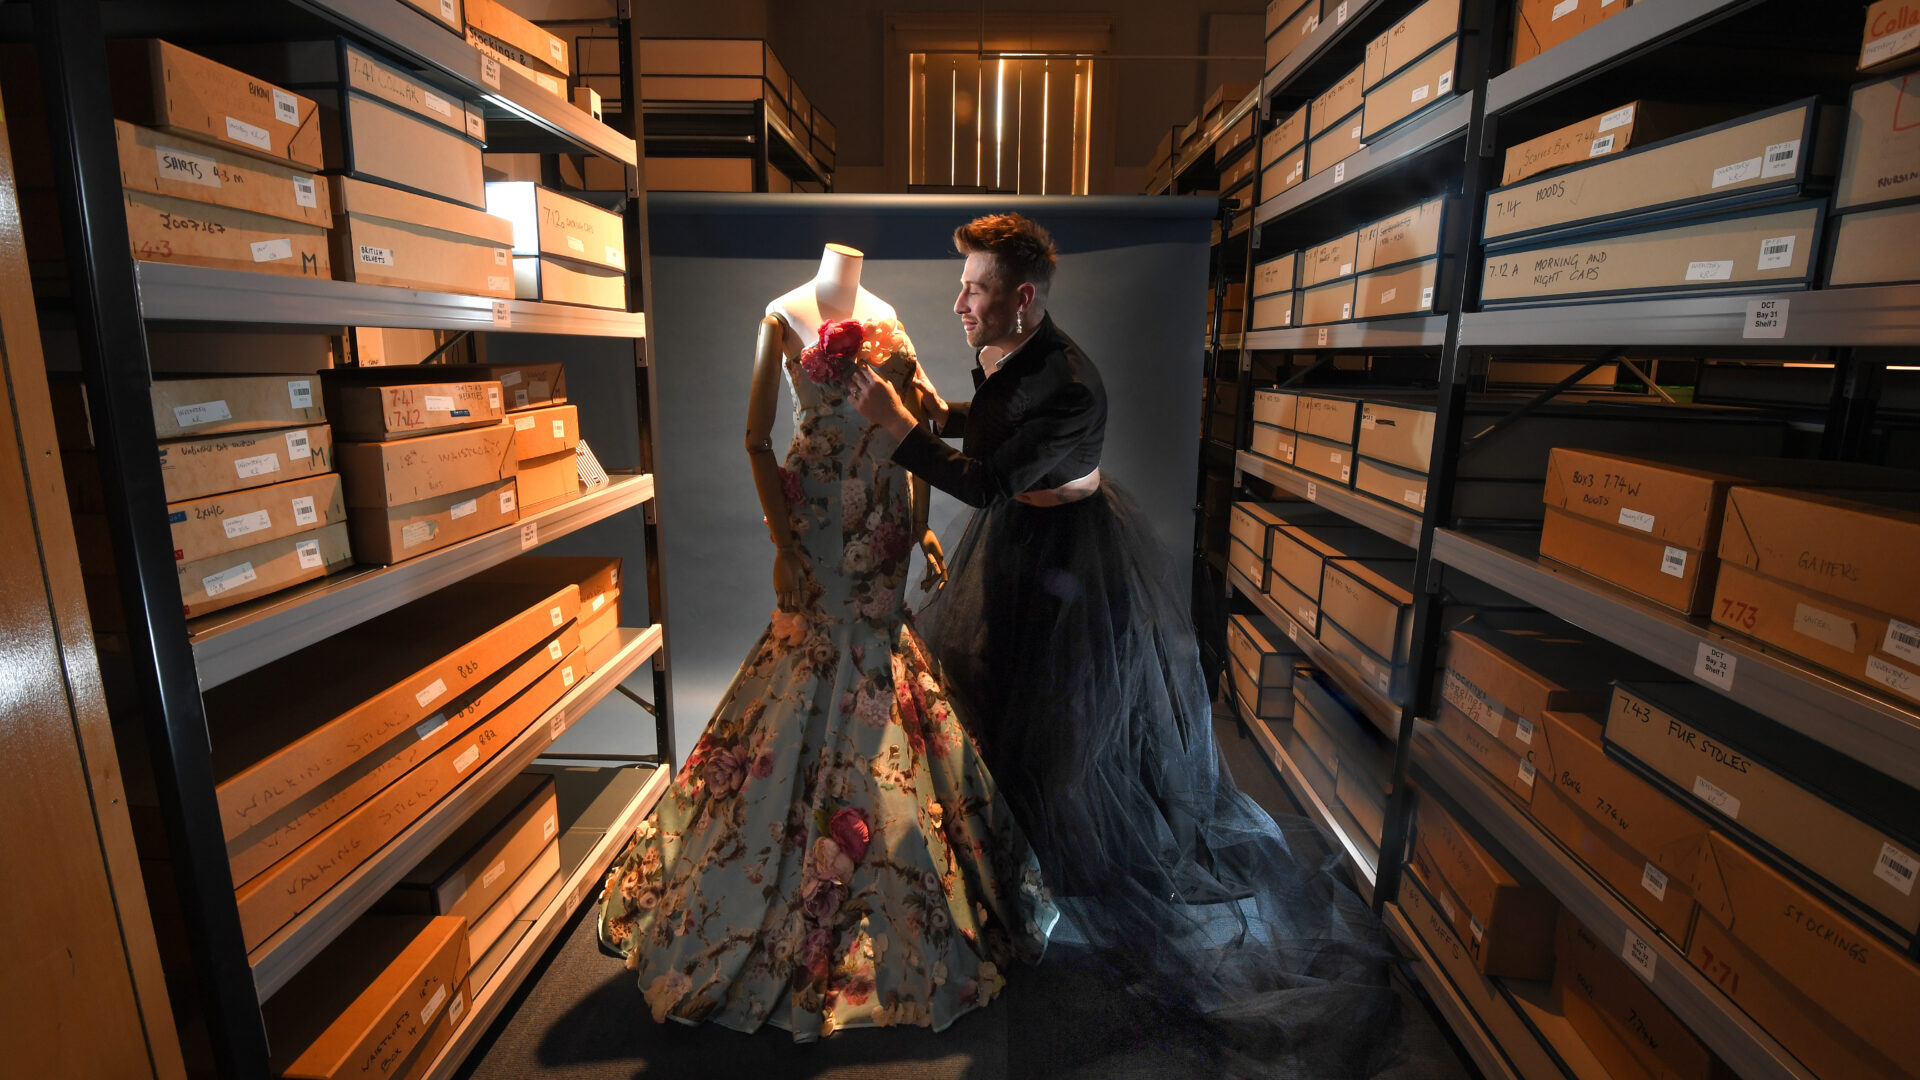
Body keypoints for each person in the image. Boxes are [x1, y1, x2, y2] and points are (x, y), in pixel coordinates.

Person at [849, 214, 1441, 1078]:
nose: (958, 302)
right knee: (991, 698)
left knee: (1062, 724)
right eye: (961, 285)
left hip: (1068, 559)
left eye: (974, 289)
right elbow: (999, 427)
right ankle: (1012, 878)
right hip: (1022, 544)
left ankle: (1062, 885)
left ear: (1021, 298)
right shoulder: (1021, 353)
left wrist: (900, 425)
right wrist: (944, 412)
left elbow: (983, 482)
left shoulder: (1072, 380)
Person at [596, 244, 1056, 1040]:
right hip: (812, 514)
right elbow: (755, 439)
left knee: (880, 656)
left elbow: (916, 420)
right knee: (812, 656)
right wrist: (782, 541)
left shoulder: (887, 319)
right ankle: (780, 859)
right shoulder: (783, 314)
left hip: (881, 508)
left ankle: (890, 863)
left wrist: (920, 528)